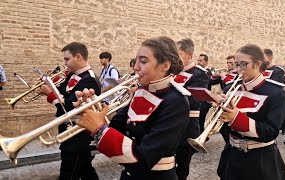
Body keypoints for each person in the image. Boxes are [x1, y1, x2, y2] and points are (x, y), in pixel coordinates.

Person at [75, 36, 190, 180]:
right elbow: (115, 128)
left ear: (165, 66)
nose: (136, 67)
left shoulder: (176, 101)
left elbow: (144, 157)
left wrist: (99, 129)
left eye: (143, 61)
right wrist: (91, 111)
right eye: (136, 60)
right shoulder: (141, 91)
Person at [217, 44, 285, 180]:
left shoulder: (276, 92)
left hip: (261, 159)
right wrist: (219, 111)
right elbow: (224, 127)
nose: (238, 69)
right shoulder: (230, 89)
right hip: (231, 156)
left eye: (243, 65)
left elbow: (270, 132)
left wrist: (236, 118)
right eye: (236, 65)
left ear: (257, 64)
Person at [40, 42, 100, 180]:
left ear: (78, 57)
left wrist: (50, 94)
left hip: (79, 134)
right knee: (84, 169)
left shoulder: (89, 79)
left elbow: (70, 106)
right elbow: (62, 93)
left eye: (67, 59)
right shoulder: (72, 75)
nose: (65, 63)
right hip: (69, 131)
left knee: (69, 172)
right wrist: (50, 84)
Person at [175, 38, 209, 180]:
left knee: (181, 169)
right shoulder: (171, 72)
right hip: (168, 124)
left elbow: (195, 100)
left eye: (179, 54)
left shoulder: (199, 74)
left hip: (186, 127)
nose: (174, 58)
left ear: (189, 55)